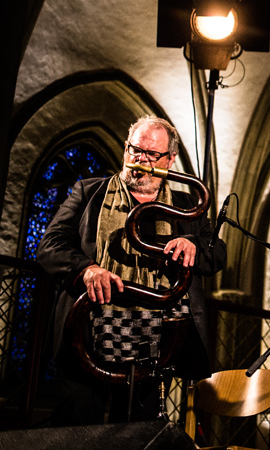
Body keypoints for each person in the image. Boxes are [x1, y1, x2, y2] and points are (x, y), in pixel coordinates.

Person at [37, 115, 226, 424]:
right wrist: (86, 270)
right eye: (135, 150)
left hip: (154, 344)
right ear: (125, 149)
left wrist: (192, 243)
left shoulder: (186, 204)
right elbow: (50, 246)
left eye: (152, 155)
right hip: (86, 333)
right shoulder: (89, 192)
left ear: (170, 159)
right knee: (78, 426)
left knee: (139, 432)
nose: (141, 160)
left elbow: (217, 254)